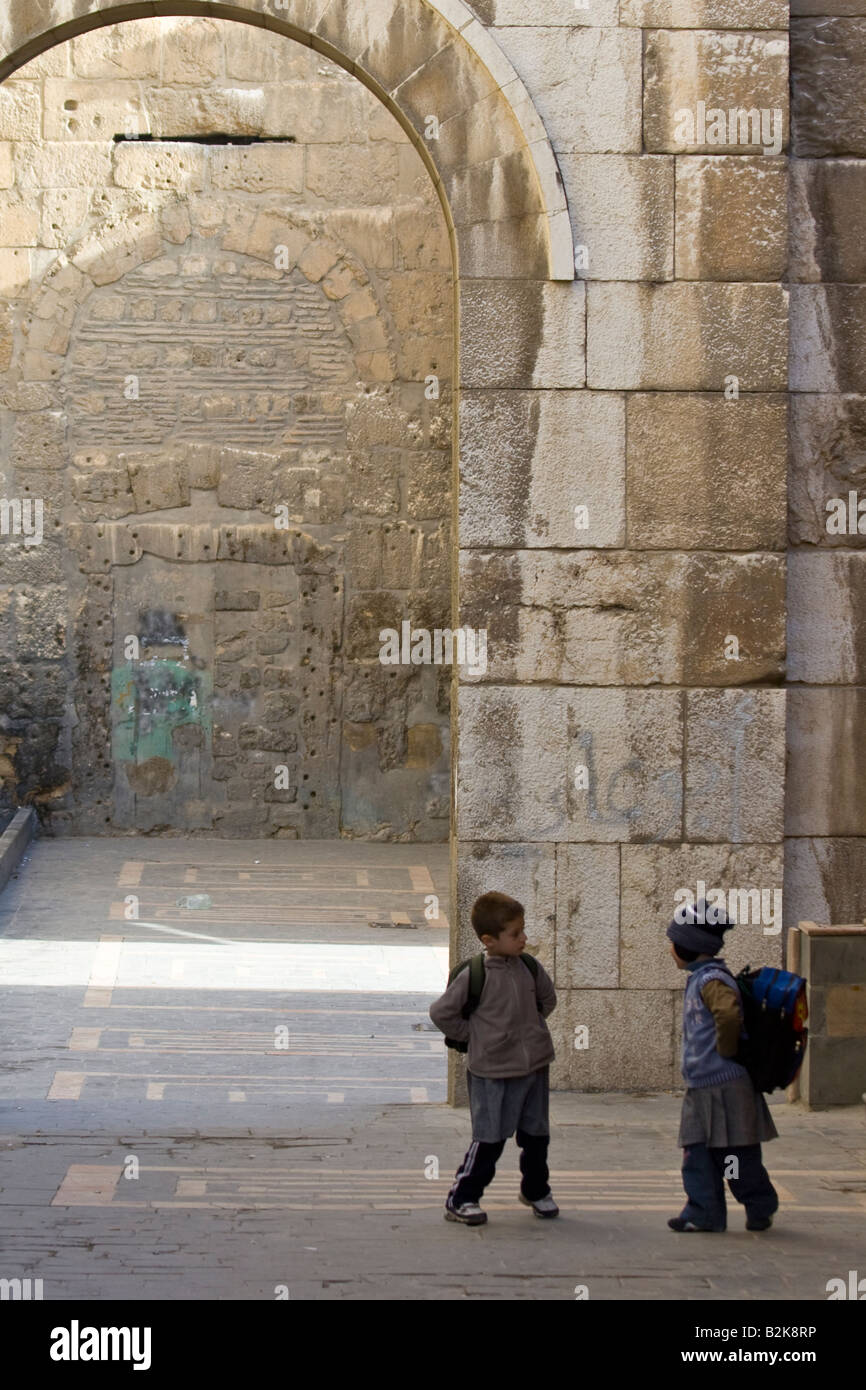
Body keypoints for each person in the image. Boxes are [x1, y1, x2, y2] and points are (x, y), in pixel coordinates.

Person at [428, 890, 558, 1226]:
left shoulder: (529, 967)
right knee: (489, 1138)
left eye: (523, 931)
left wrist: (530, 1031)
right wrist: (474, 1036)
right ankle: (463, 1197)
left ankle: (536, 1189)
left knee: (536, 1136)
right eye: (515, 934)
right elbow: (442, 1012)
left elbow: (547, 1000)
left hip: (533, 1067)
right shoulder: (474, 975)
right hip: (493, 1072)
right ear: (489, 939)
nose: (523, 939)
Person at [667, 900, 779, 1233]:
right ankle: (702, 1211)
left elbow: (728, 1014)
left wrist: (726, 1049)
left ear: (689, 946)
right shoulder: (700, 977)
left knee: (735, 1157)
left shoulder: (712, 980)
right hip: (702, 1086)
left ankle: (758, 1204)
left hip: (725, 1085)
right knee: (697, 1152)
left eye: (674, 942)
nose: (670, 949)